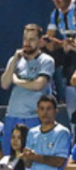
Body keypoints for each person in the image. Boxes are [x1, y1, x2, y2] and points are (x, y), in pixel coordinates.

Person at [3, 24, 55, 155]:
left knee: (32, 157)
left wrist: (17, 80)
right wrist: (14, 60)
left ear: (39, 41)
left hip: (33, 117)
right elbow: (4, 84)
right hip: (12, 115)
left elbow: (38, 85)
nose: (27, 43)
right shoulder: (15, 60)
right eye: (25, 39)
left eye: (32, 39)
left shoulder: (46, 61)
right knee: (9, 158)